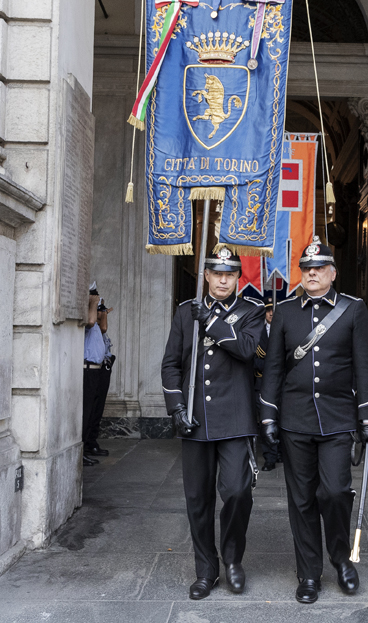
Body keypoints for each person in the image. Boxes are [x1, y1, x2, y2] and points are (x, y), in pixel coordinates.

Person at [258, 235, 368, 604]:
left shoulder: (353, 309)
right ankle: (308, 573)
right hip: (295, 421)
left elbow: (364, 367)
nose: (312, 274)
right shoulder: (285, 312)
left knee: (335, 492)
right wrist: (268, 416)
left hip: (339, 419)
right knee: (302, 500)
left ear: (332, 272)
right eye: (306, 269)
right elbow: (274, 369)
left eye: (319, 268)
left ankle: (342, 559)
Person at [160, 248, 265, 600]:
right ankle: (207, 570)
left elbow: (247, 349)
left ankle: (233, 560)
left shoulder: (251, 312)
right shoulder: (183, 313)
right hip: (195, 420)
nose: (223, 280)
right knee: (197, 499)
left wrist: (211, 320)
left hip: (235, 420)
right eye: (217, 273)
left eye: (230, 274)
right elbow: (171, 364)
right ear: (205, 275)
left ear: (238, 278)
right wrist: (176, 408)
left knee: (237, 491)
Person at [82, 283, 114, 465]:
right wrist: (92, 303)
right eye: (93, 295)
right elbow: (91, 322)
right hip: (87, 369)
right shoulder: (87, 315)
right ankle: (82, 448)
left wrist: (103, 312)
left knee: (93, 411)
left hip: (97, 369)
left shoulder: (94, 314)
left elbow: (102, 328)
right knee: (85, 412)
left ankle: (88, 444)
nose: (96, 298)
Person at [253, 297, 281, 471]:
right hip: (261, 384)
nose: (271, 313)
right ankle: (269, 458)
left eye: (274, 310)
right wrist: (273, 365)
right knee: (266, 421)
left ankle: (281, 454)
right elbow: (254, 360)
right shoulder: (257, 332)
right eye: (268, 310)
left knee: (283, 421)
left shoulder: (286, 331)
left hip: (282, 385)